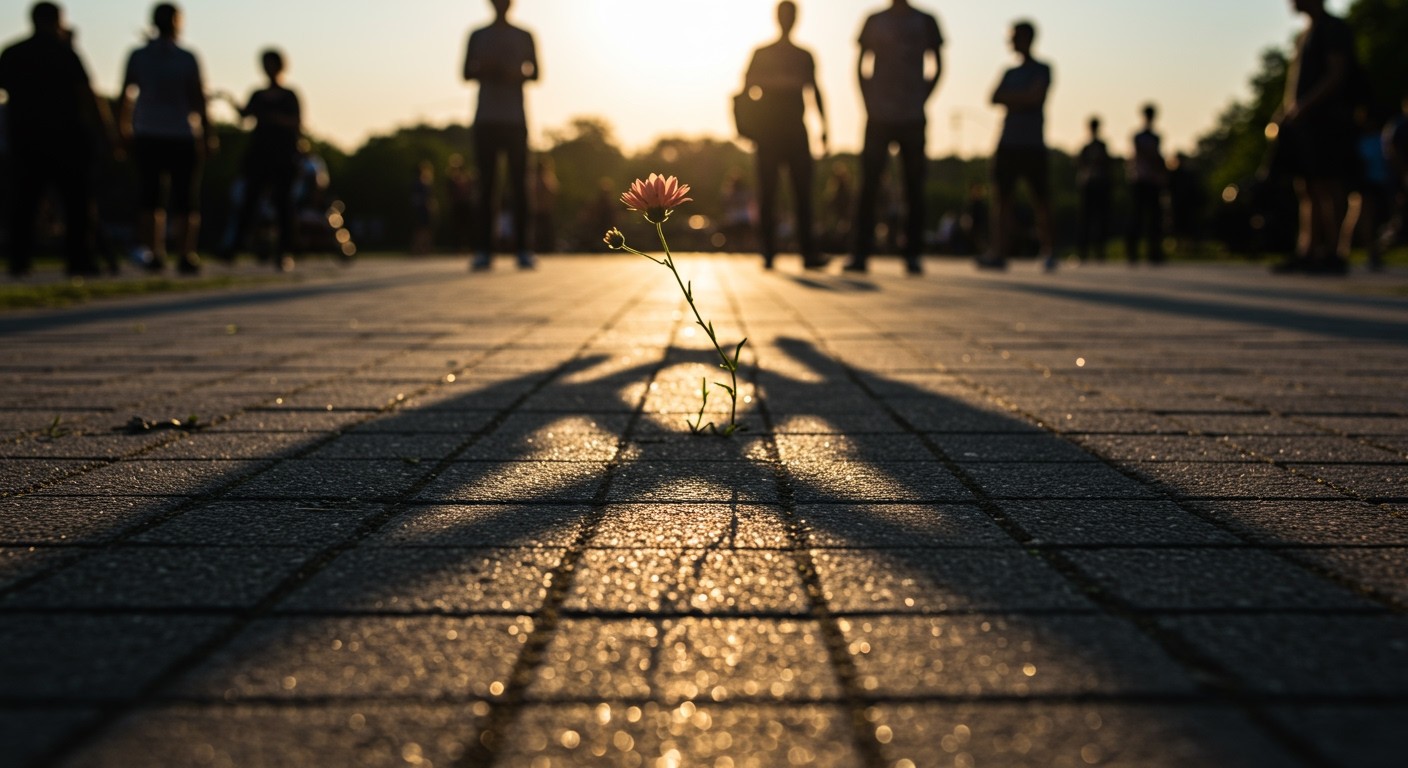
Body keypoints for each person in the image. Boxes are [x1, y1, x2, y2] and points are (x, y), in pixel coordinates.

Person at [0, 1, 116, 278]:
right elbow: (89, 94)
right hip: (67, 138)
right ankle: (79, 259)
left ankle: (20, 259)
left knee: (25, 201)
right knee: (76, 202)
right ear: (56, 21)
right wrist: (108, 132)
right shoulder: (65, 52)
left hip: (26, 136)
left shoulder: (13, 53)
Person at [846, 0, 943, 275]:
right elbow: (860, 64)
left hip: (912, 115)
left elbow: (938, 64)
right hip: (878, 115)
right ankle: (860, 252)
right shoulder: (874, 20)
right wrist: (868, 100)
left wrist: (923, 98)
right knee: (868, 185)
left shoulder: (926, 20)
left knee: (914, 186)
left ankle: (913, 252)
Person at [118, 2, 213, 275]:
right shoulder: (181, 57)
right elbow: (198, 99)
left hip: (163, 132)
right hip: (167, 132)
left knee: (163, 196)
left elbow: (126, 95)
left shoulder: (146, 56)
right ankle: (174, 253)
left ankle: (167, 253)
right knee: (168, 197)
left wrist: (122, 128)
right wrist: (207, 132)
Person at [1272, 0, 1359, 275]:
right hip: (1303, 124)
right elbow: (1294, 83)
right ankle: (1307, 249)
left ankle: (1333, 252)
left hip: (1327, 122)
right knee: (1306, 186)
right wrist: (1284, 113)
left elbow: (1336, 74)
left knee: (1328, 185)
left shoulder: (1334, 29)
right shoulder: (1305, 34)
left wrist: (1304, 106)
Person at [743, 1, 829, 270]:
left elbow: (815, 90)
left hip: (796, 129)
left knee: (802, 191)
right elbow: (746, 89)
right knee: (767, 192)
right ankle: (768, 251)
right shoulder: (762, 53)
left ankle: (808, 252)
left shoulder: (804, 55)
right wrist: (749, 126)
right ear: (776, 18)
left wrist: (825, 126)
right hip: (768, 130)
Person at [463, 0, 538, 271]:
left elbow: (537, 73)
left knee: (520, 185)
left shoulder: (525, 35)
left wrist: (514, 73)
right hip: (486, 119)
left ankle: (523, 249)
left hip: (515, 119)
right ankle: (483, 249)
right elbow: (465, 72)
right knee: (486, 185)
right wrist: (485, 69)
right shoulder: (477, 35)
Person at [219, 48, 302, 271]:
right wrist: (229, 100)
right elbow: (245, 116)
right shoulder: (257, 94)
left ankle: (284, 251)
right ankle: (235, 248)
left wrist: (274, 119)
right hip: (259, 155)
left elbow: (297, 123)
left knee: (283, 205)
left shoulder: (289, 95)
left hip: (283, 156)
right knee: (248, 202)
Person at [983, 19, 1053, 271]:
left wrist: (1013, 99)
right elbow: (993, 97)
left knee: (1041, 199)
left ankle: (1048, 250)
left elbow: (1036, 97)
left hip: (1032, 144)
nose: (1011, 41)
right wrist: (1022, 98)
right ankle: (998, 251)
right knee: (1002, 199)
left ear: (1027, 38)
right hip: (1008, 143)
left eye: (1015, 37)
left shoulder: (1043, 68)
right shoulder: (1009, 72)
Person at [1126, 103, 1166, 265]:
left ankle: (1153, 251)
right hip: (1140, 179)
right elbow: (1145, 155)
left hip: (1152, 180)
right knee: (1138, 216)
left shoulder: (1156, 136)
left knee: (1154, 217)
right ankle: (1133, 252)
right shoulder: (1138, 136)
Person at [1075, 116, 1112, 262]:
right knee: (1086, 219)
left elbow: (1108, 164)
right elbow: (1079, 163)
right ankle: (1083, 251)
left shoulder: (1101, 146)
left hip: (1099, 184)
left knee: (1100, 219)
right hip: (1089, 184)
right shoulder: (1086, 147)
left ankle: (1099, 251)